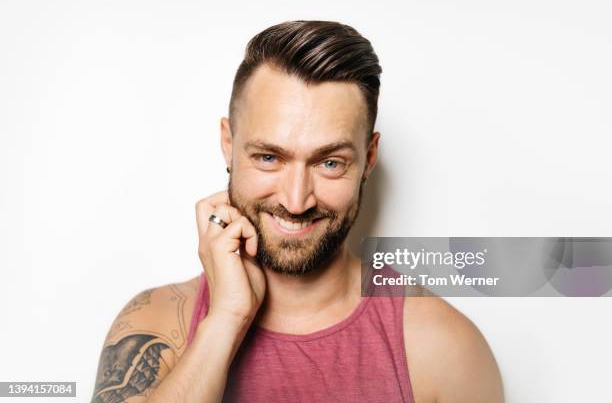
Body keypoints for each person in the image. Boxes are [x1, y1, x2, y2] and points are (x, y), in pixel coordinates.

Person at [91, 20, 504, 403]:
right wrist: (226, 319)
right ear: (227, 144)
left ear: (369, 157)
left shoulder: (441, 345)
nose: (295, 200)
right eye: (269, 157)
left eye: (329, 163)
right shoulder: (158, 324)